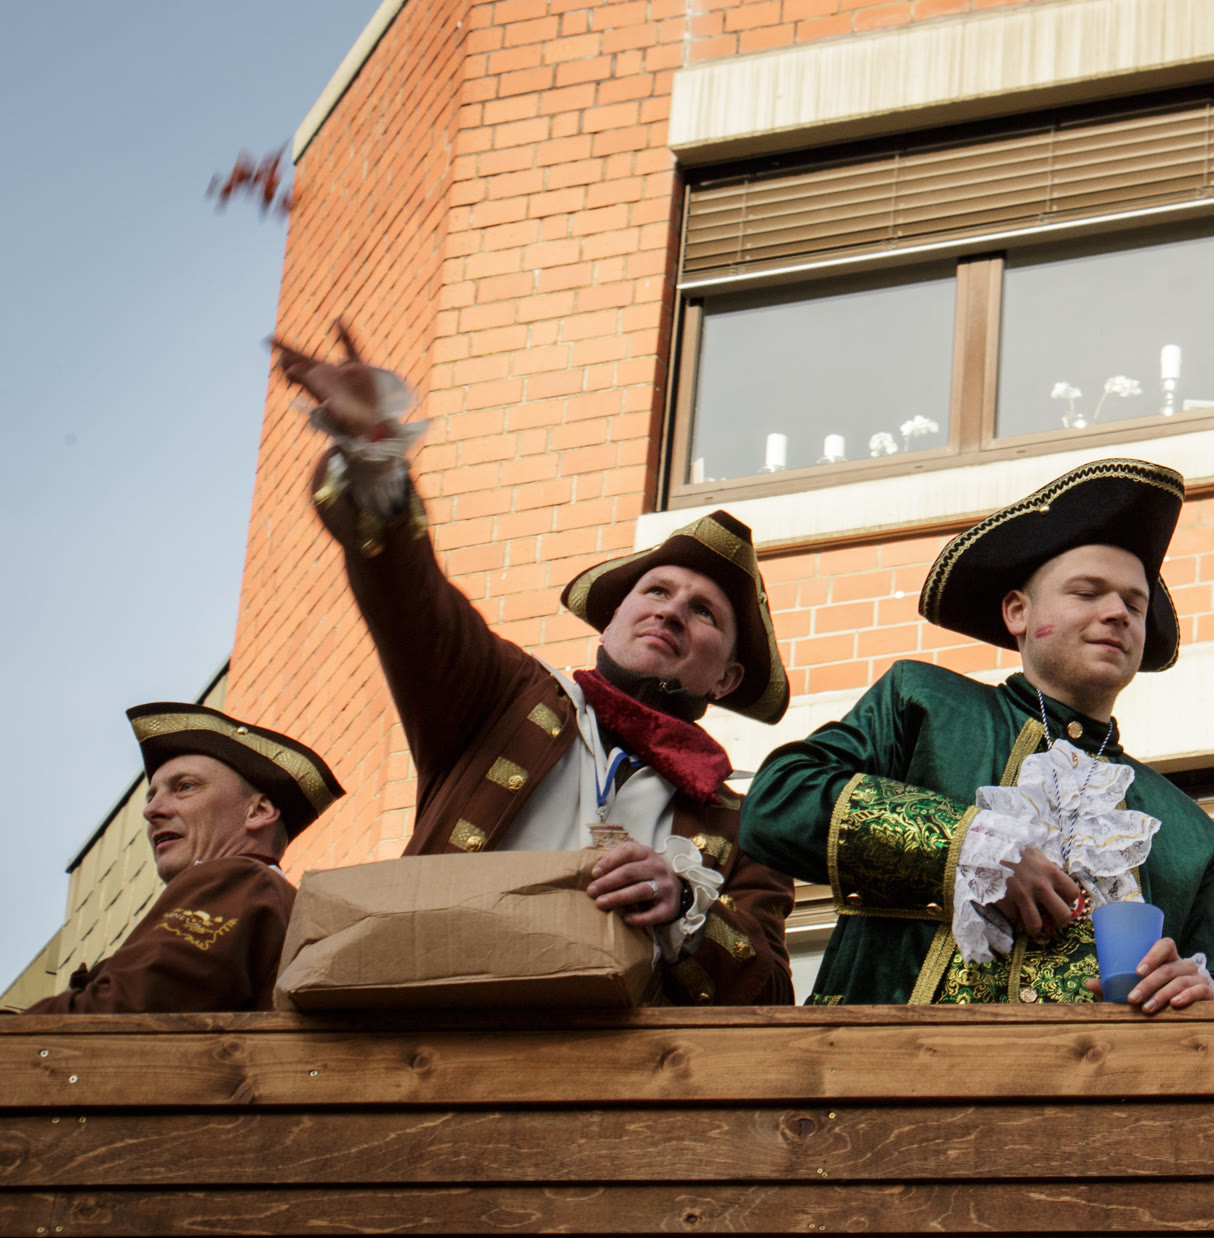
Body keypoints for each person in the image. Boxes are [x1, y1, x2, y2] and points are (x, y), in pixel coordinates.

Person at [272, 324, 794, 1006]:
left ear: (726, 679)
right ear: (612, 617)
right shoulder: (506, 696)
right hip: (441, 1032)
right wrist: (373, 457)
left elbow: (772, 994)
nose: (671, 612)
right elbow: (413, 601)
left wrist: (686, 909)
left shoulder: (747, 826)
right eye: (656, 592)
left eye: (704, 613)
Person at [740, 457, 1214, 1008]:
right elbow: (776, 803)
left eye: (1134, 603)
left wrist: (1203, 1000)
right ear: (1017, 613)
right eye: (1087, 593)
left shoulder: (1189, 834)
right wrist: (967, 845)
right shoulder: (924, 704)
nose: (1118, 613)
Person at [21, 704, 342, 1013]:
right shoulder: (273, 901)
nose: (151, 811)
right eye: (151, 797)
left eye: (185, 787)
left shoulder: (239, 878)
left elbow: (127, 1007)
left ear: (258, 811)